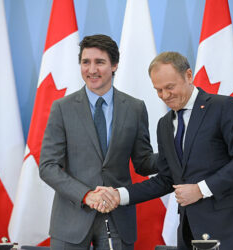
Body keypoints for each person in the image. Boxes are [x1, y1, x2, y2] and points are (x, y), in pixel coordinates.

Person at [94, 52, 233, 250]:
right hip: (191, 231)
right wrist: (119, 195)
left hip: (231, 229)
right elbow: (167, 179)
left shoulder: (223, 107)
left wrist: (201, 190)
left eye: (170, 87)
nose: (165, 96)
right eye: (158, 90)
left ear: (188, 75)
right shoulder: (165, 125)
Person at [39, 34, 158, 250]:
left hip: (117, 219)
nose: (91, 70)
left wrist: (178, 150)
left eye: (99, 62)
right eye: (86, 62)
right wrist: (86, 195)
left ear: (114, 65)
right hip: (70, 221)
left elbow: (143, 162)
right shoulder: (62, 108)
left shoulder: (135, 108)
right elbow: (48, 167)